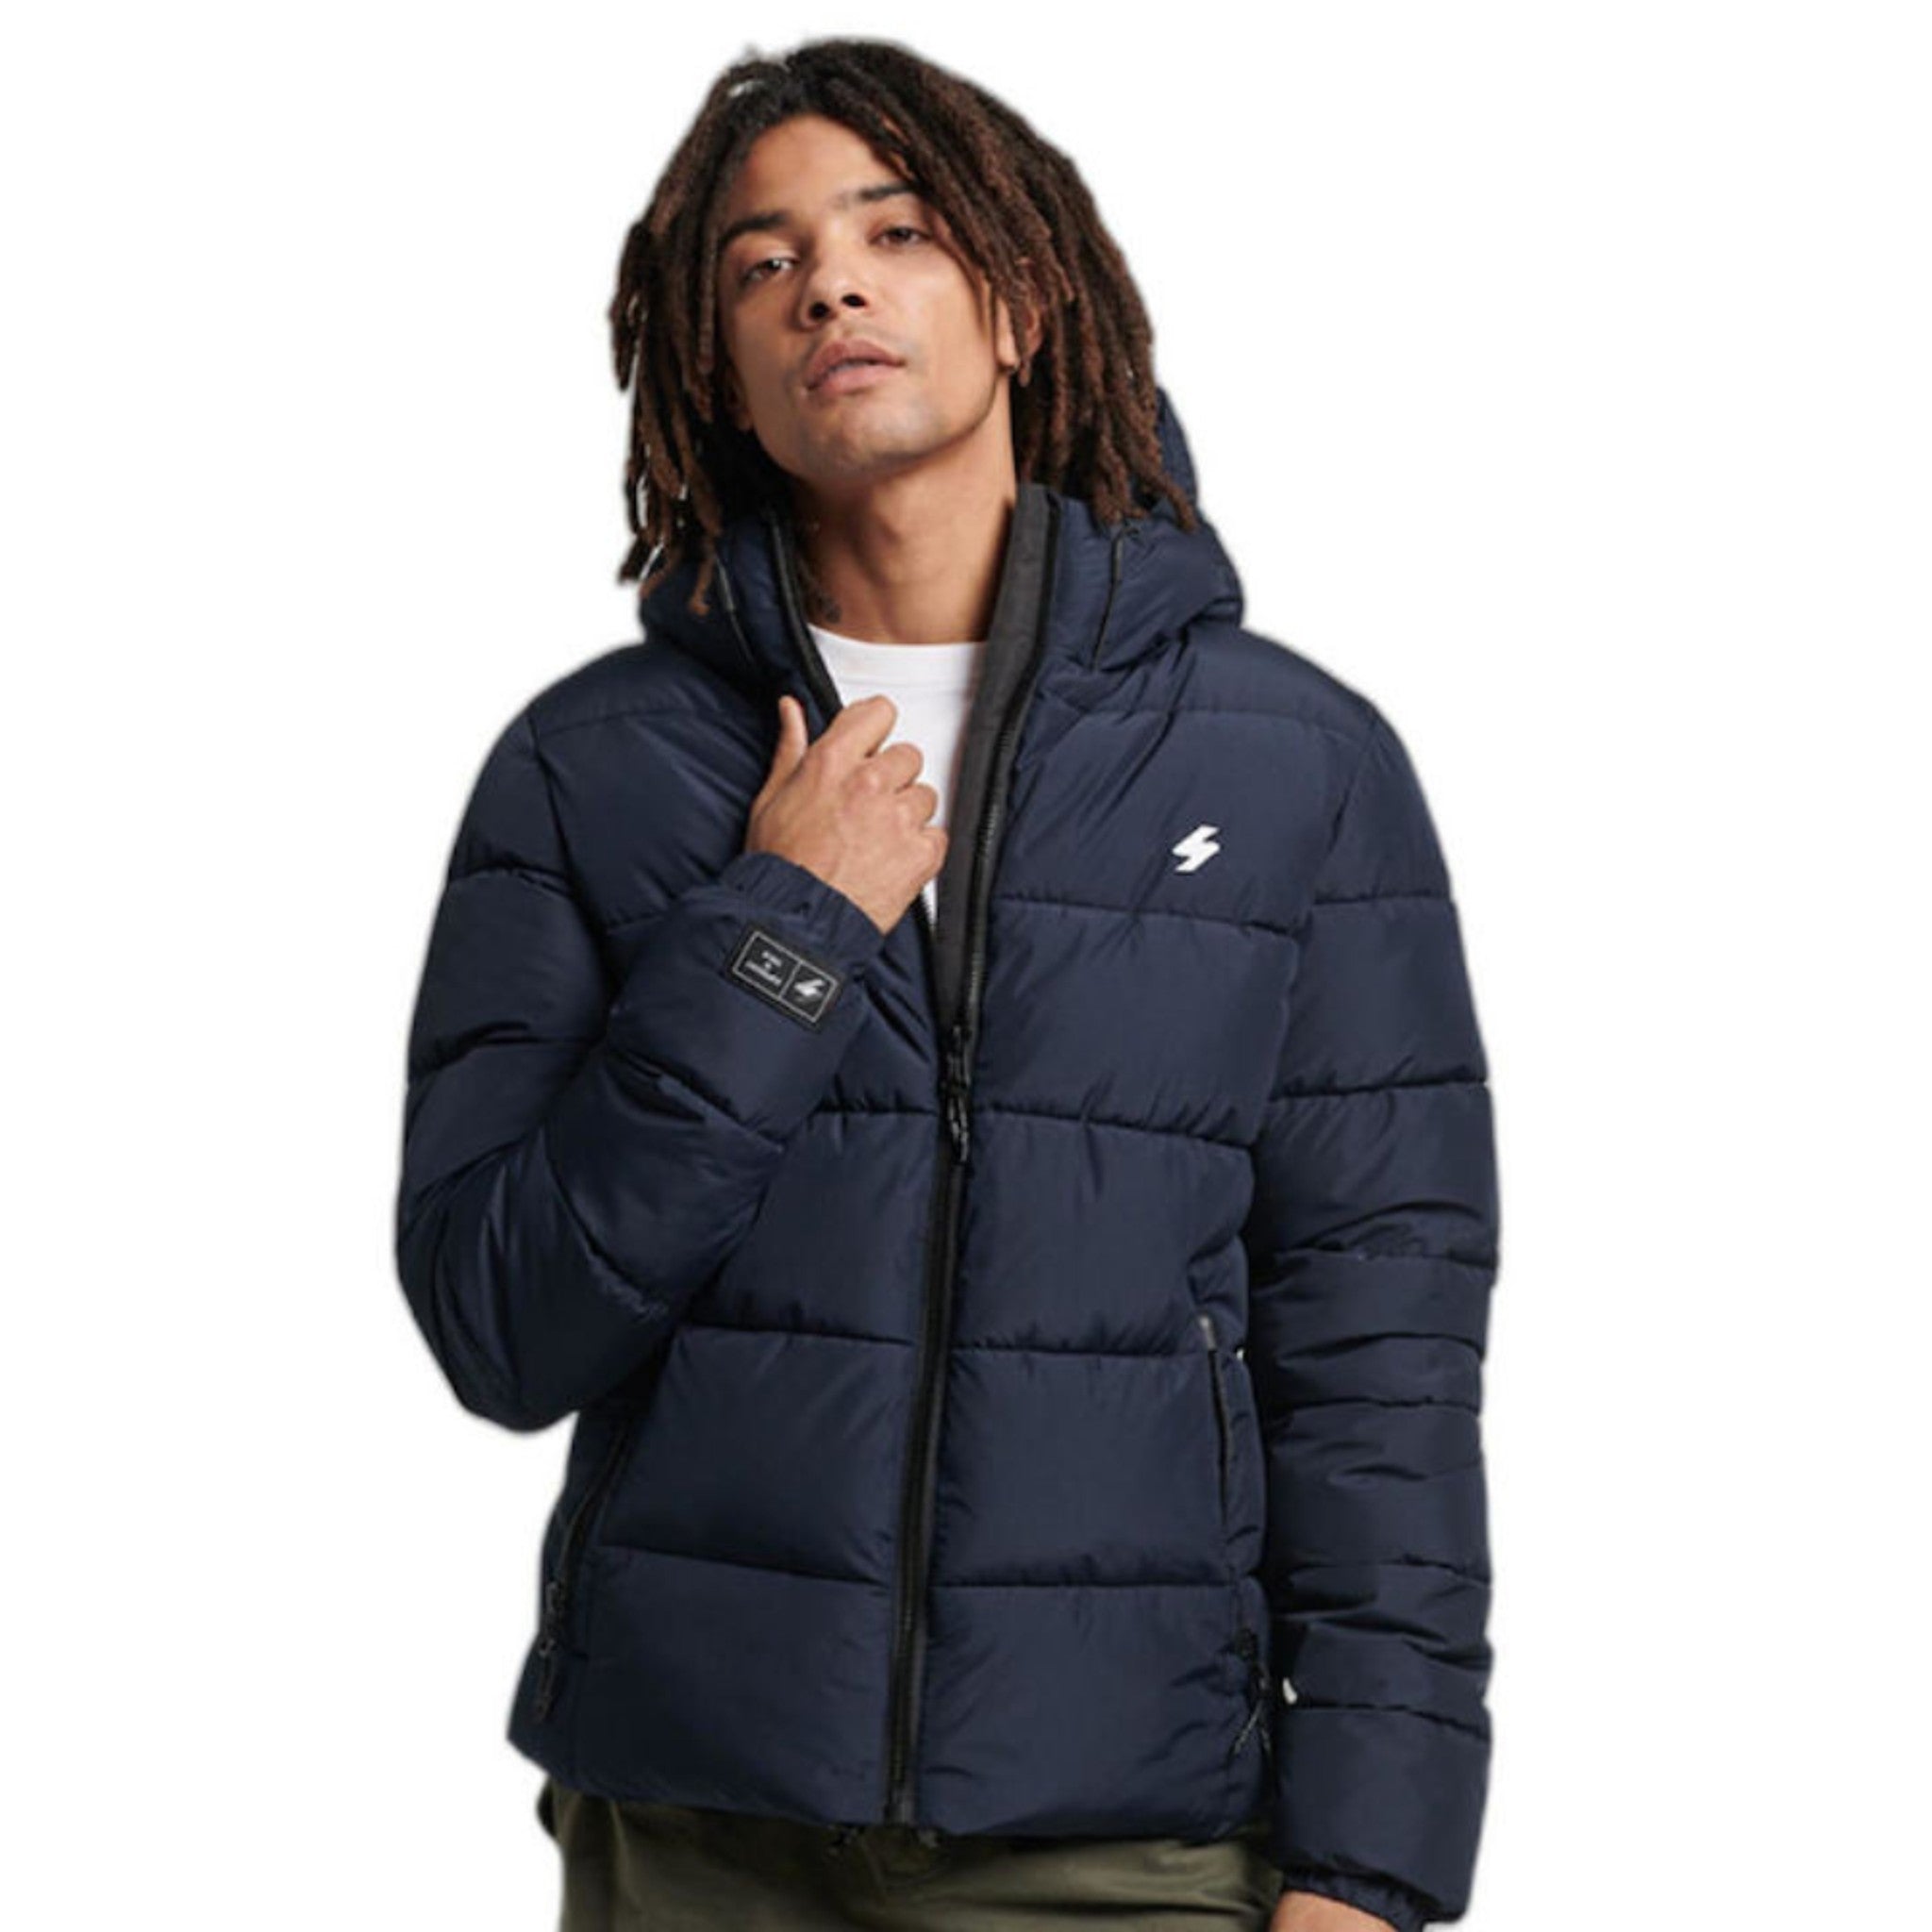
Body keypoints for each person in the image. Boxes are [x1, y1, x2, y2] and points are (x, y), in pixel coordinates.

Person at [392, 35, 1501, 1932]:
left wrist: (1373, 1866)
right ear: (718, 369)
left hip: (1126, 1847)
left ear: (1021, 300)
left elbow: (1379, 1349)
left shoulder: (1290, 767)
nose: (827, 283)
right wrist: (782, 927)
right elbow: (504, 1326)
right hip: (694, 1837)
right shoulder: (591, 770)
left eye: (895, 231)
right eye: (763, 262)